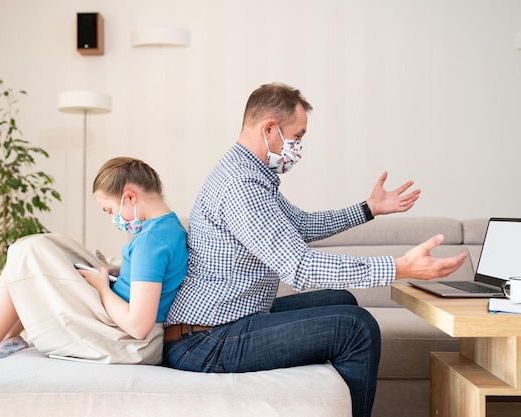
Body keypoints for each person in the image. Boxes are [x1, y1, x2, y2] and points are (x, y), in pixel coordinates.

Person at [163, 83, 467, 417]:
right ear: (269, 128)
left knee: (341, 300)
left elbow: (302, 225)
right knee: (356, 326)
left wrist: (369, 208)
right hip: (206, 342)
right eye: (297, 135)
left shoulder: (251, 174)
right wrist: (399, 267)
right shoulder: (242, 187)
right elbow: (301, 268)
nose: (298, 146)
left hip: (225, 322)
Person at [0, 157, 188, 383]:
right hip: (121, 327)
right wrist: (120, 273)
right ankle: (4, 342)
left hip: (126, 340)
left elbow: (138, 325)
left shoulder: (150, 241)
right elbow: (151, 278)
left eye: (111, 211)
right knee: (46, 252)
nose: (114, 219)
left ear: (130, 198)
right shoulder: (168, 227)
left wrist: (103, 289)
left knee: (27, 252)